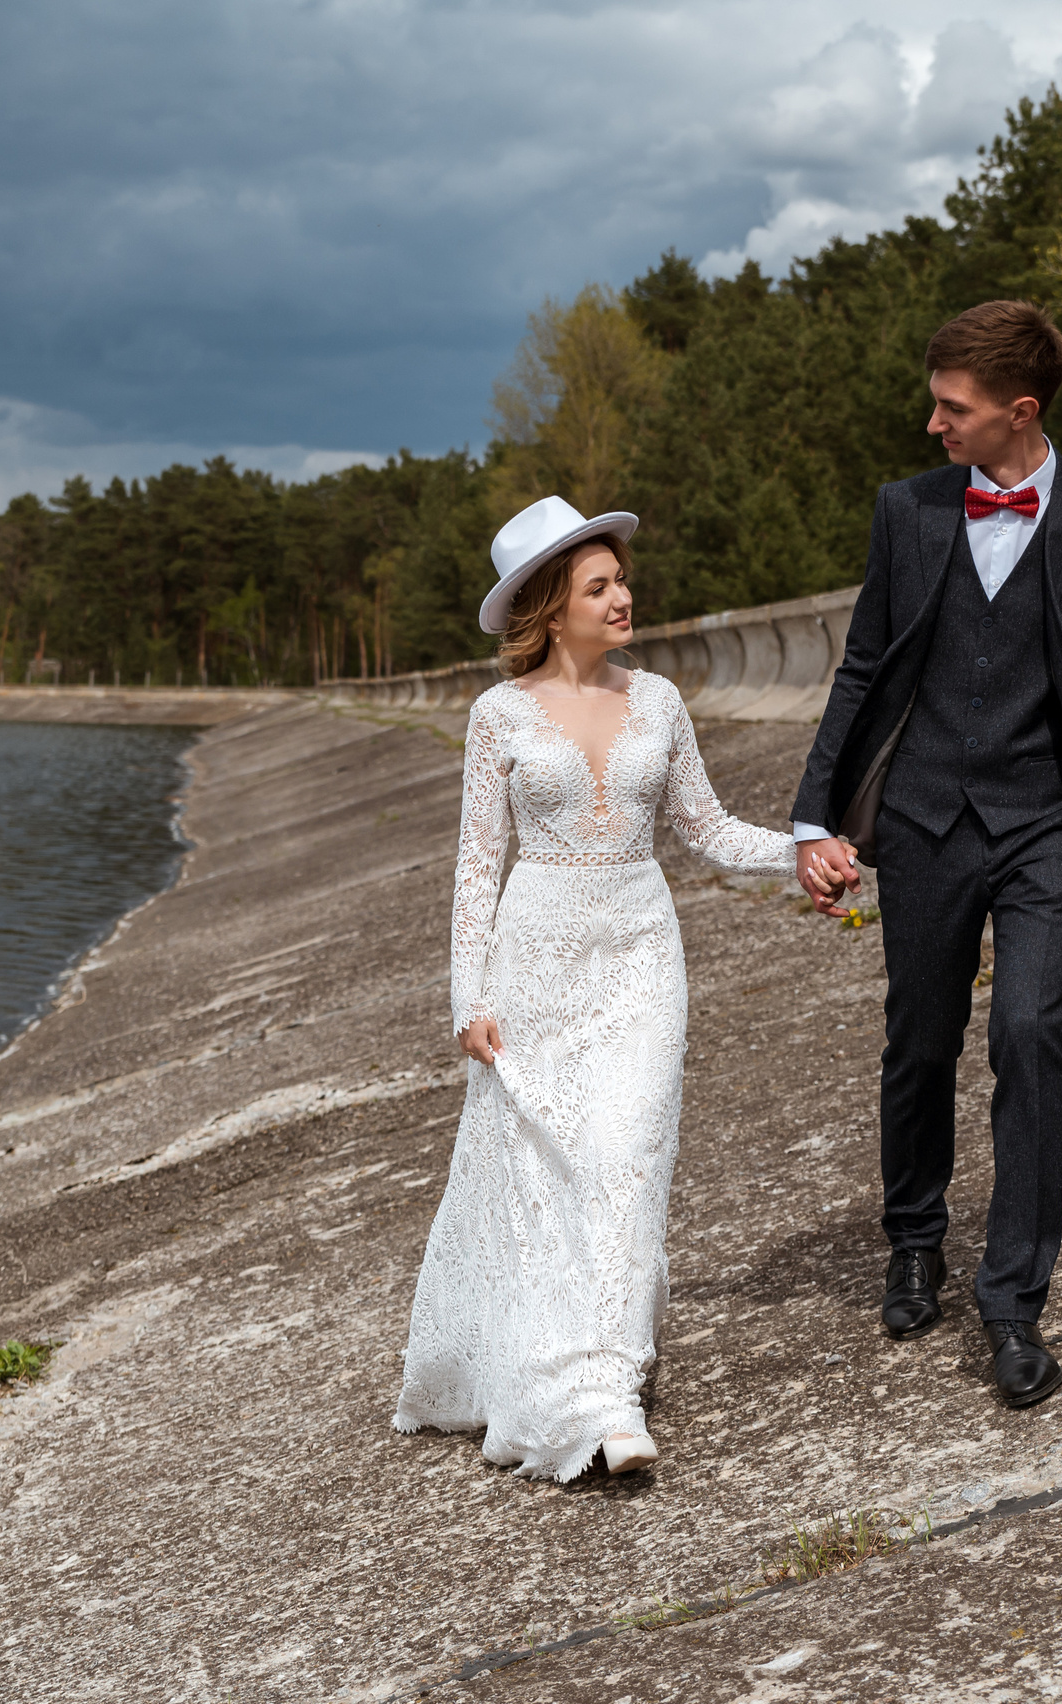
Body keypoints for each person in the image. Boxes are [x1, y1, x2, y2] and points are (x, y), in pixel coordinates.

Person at [791, 300, 1062, 1408]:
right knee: (920, 1042)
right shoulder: (908, 513)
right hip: (925, 821)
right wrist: (811, 818)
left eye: (952, 408)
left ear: (1019, 413)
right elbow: (861, 669)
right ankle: (914, 1237)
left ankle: (1012, 1300)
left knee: (1030, 1033)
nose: (932, 425)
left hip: (1046, 831)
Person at [393, 495, 796, 1480]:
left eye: (620, 579)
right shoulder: (497, 718)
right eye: (598, 584)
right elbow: (475, 871)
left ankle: (608, 1390)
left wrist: (809, 851)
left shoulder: (656, 699)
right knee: (552, 1173)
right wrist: (466, 1002)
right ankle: (571, 1378)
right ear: (548, 605)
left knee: (624, 1160)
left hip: (639, 958)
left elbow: (708, 829)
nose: (624, 595)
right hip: (534, 965)